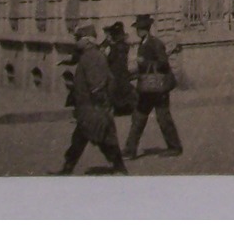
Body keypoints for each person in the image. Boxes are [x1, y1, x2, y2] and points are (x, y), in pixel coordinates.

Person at [58, 23, 127, 175]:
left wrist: (101, 106)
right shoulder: (89, 55)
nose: (76, 42)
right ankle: (67, 169)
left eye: (78, 39)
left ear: (87, 41)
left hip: (93, 108)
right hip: (90, 109)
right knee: (87, 138)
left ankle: (119, 167)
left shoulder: (92, 57)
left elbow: (97, 85)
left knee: (102, 139)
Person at [124, 13, 183, 159]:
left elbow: (163, 63)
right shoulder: (144, 43)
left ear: (145, 29)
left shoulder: (155, 43)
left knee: (163, 117)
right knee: (138, 117)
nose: (138, 31)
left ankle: (174, 147)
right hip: (148, 89)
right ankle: (130, 150)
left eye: (140, 28)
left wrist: (144, 62)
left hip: (158, 88)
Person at [101, 22, 134, 116]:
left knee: (113, 90)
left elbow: (110, 58)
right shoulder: (124, 45)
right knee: (123, 89)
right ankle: (124, 107)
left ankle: (116, 108)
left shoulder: (115, 47)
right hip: (122, 71)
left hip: (115, 72)